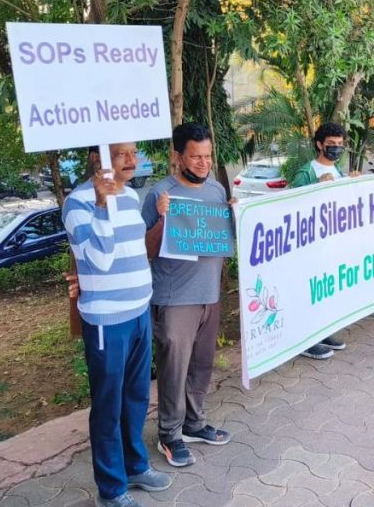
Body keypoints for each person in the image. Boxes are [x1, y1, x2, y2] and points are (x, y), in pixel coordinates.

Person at [64, 143, 172, 507]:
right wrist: (101, 204)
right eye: (121, 153)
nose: (131, 160)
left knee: (136, 398)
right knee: (108, 406)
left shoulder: (130, 196)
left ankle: (136, 467)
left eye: (133, 153)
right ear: (98, 158)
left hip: (139, 311)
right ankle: (110, 490)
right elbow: (98, 259)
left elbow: (136, 250)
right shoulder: (78, 203)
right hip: (106, 320)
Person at [141, 124, 231, 468]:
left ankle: (194, 423)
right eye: (195, 157)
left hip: (209, 294)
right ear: (178, 156)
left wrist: (237, 212)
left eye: (207, 156)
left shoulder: (217, 190)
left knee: (201, 365)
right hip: (175, 298)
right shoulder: (160, 193)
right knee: (174, 370)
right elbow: (145, 250)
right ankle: (169, 433)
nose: (203, 163)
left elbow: (225, 235)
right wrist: (163, 219)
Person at [289, 123, 353, 359]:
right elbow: (291, 204)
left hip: (330, 243)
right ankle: (305, 340)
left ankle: (321, 332)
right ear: (319, 144)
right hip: (309, 244)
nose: (336, 148)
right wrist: (317, 187)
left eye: (340, 144)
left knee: (324, 291)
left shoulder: (338, 171)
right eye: (331, 144)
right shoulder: (307, 172)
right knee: (308, 291)